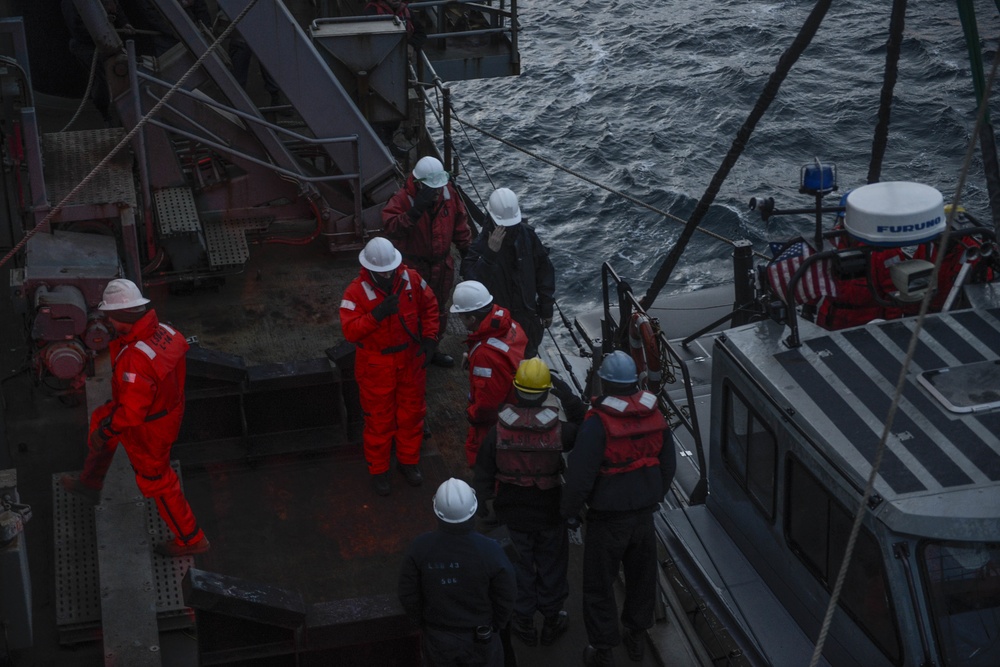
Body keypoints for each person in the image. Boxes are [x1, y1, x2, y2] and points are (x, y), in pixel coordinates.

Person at [60, 279, 209, 557]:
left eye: (109, 318)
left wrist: (105, 432)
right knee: (104, 415)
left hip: (148, 428)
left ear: (118, 318)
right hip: (163, 410)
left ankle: (192, 539)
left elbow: (131, 413)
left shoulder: (135, 361)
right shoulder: (165, 331)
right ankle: (91, 483)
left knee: (159, 483)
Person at [561, 351, 675, 667]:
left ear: (607, 383)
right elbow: (668, 465)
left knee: (599, 586)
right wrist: (652, 496)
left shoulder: (598, 423)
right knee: (642, 579)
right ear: (636, 382)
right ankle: (636, 637)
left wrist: (570, 512)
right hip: (643, 517)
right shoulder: (654, 415)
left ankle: (603, 649)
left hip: (606, 520)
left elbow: (580, 475)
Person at [473, 358, 587, 648]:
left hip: (512, 511)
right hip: (550, 510)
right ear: (545, 391)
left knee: (519, 566)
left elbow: (484, 467)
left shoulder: (499, 430)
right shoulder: (561, 430)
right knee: (552, 565)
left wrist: (485, 499)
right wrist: (563, 391)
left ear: (516, 389)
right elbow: (584, 425)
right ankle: (551, 619)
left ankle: (523, 621)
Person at [339, 237, 439, 496]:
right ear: (370, 269)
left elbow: (429, 306)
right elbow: (350, 331)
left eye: (390, 270)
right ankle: (379, 470)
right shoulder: (355, 292)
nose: (387, 275)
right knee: (378, 422)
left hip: (410, 360)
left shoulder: (411, 279)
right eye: (382, 272)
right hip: (376, 366)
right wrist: (377, 315)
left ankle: (408, 462)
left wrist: (429, 339)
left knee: (411, 415)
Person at [398, 478, 517, 667]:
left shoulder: (420, 548)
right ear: (473, 510)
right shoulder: (490, 551)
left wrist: (422, 622)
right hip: (481, 639)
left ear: (437, 511)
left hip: (439, 639)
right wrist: (496, 625)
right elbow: (506, 594)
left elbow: (408, 593)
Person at [382, 156, 472, 368]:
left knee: (438, 309)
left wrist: (467, 252)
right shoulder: (403, 199)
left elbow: (460, 223)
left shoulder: (448, 194)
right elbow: (391, 227)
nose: (439, 192)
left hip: (442, 266)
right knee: (410, 310)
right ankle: (411, 351)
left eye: (440, 187)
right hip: (413, 268)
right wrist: (414, 212)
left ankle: (433, 348)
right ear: (420, 184)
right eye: (434, 188)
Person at [460, 188, 556, 359]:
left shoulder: (528, 237)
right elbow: (471, 283)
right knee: (500, 364)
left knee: (527, 361)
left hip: (526, 319)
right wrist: (490, 255)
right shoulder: (481, 246)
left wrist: (546, 307)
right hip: (497, 324)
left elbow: (544, 270)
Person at [450, 280, 527, 467]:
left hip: (496, 419)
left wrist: (471, 414)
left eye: (461, 316)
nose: (460, 319)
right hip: (515, 404)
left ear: (472, 319)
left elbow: (488, 405)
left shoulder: (486, 355)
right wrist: (473, 354)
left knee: (483, 458)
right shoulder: (508, 324)